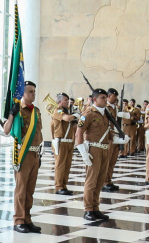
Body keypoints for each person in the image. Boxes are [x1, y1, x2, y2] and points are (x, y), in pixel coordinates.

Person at [4, 81, 42, 233]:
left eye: (34, 91)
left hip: (34, 153)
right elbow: (6, 130)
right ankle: (18, 219)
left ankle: (27, 219)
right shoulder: (17, 110)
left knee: (30, 189)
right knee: (21, 188)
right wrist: (12, 115)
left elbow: (39, 132)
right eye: (30, 92)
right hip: (23, 153)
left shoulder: (36, 111)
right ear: (22, 93)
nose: (33, 94)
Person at [76, 88, 113, 221]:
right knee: (91, 181)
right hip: (93, 149)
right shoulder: (89, 113)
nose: (105, 99)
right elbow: (79, 133)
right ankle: (88, 209)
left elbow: (108, 132)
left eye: (106, 97)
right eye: (103, 97)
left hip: (104, 149)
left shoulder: (105, 113)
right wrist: (83, 153)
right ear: (95, 99)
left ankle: (95, 207)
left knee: (100, 180)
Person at [103, 88, 131, 193]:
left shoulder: (115, 108)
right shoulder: (105, 108)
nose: (116, 99)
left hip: (116, 136)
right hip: (109, 137)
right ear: (109, 96)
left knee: (112, 161)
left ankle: (109, 180)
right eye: (115, 96)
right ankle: (104, 182)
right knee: (107, 160)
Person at [50, 92, 78, 195]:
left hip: (69, 142)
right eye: (66, 100)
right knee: (60, 165)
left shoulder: (67, 111)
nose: (68, 102)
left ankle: (64, 185)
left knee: (67, 165)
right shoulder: (58, 111)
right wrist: (75, 115)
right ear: (60, 101)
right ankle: (58, 187)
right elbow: (66, 118)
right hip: (61, 142)